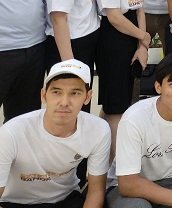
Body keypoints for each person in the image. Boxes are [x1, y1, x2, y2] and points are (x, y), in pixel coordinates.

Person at [0, 59, 110, 208]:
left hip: (66, 200)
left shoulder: (98, 129)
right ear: (43, 95)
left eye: (75, 93)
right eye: (56, 92)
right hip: (15, 203)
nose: (64, 102)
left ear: (87, 97)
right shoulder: (12, 132)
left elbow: (96, 191)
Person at [106, 52, 172, 208]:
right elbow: (128, 184)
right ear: (158, 87)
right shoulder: (134, 118)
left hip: (170, 180)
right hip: (125, 184)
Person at [95, 0, 150, 160]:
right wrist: (143, 36)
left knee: (118, 102)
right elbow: (115, 17)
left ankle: (102, 160)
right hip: (113, 40)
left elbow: (139, 9)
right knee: (115, 108)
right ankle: (114, 167)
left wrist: (142, 45)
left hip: (132, 36)